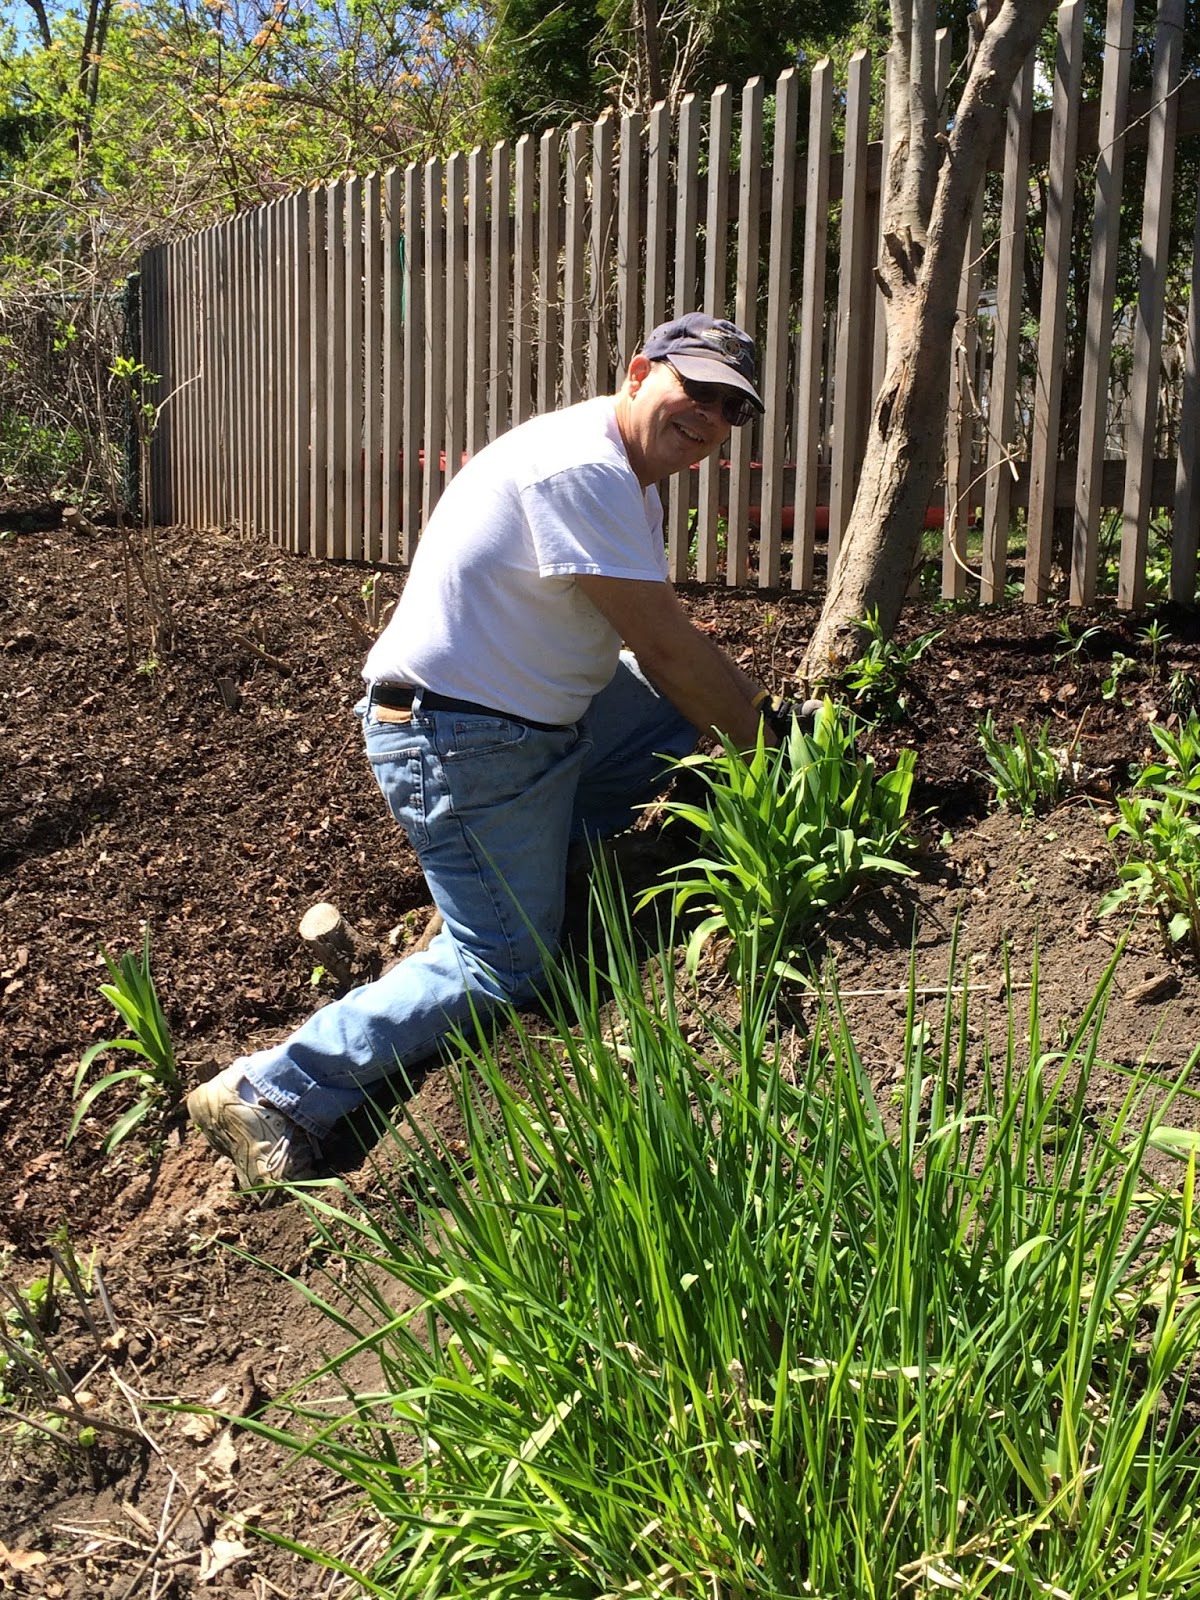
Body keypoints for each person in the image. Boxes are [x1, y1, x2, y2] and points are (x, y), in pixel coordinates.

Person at [187, 312, 786, 1190]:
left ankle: (549, 870)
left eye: (730, 407)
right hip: (461, 739)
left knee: (667, 722)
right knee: (505, 965)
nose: (708, 415)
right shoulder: (584, 468)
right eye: (693, 388)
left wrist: (752, 716)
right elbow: (664, 644)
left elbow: (647, 650)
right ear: (638, 372)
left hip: (521, 717)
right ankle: (275, 1089)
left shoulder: (625, 470)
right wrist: (769, 746)